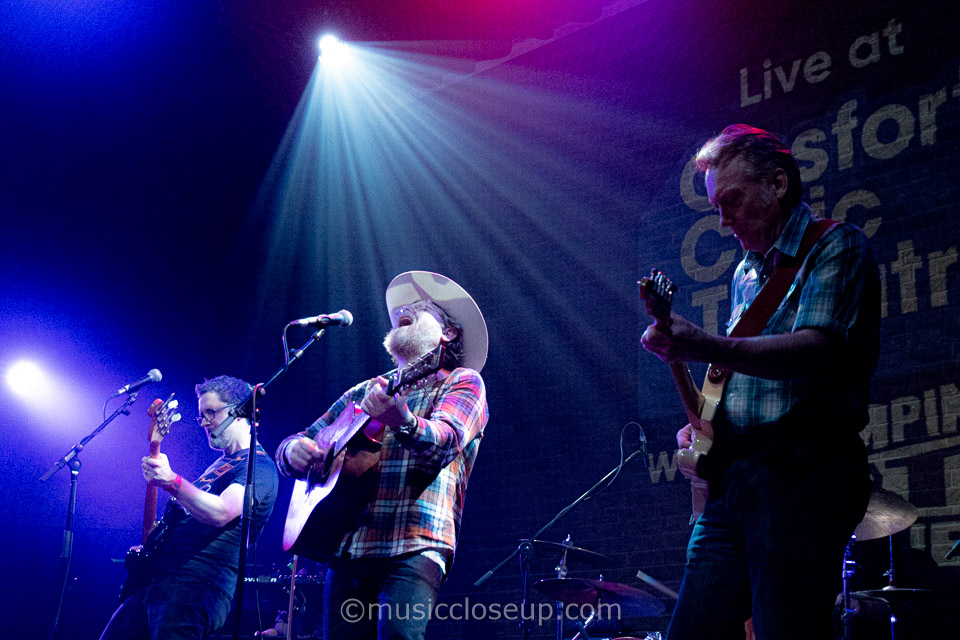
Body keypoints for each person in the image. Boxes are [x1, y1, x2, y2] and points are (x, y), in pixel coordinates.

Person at [641, 125, 880, 640]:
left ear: (777, 183)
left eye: (732, 201)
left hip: (803, 472)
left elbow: (818, 351)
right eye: (716, 206)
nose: (723, 220)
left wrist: (702, 344)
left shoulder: (837, 246)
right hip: (737, 478)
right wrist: (707, 428)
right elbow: (744, 376)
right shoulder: (744, 272)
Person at [275, 271, 489, 640]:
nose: (404, 310)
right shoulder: (364, 390)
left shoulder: (463, 381)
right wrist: (291, 451)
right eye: (400, 311)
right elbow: (302, 439)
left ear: (448, 333)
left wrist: (402, 419)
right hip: (349, 544)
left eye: (419, 309)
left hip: (415, 541)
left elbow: (446, 440)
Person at [100, 375, 279, 640]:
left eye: (211, 413)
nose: (205, 423)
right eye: (201, 416)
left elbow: (221, 512)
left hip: (196, 585)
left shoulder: (259, 466)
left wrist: (173, 482)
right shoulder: (217, 466)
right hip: (160, 581)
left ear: (240, 411)